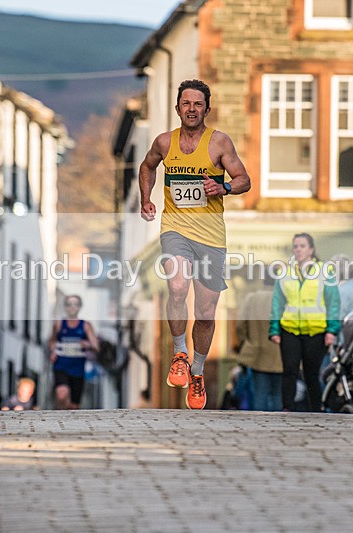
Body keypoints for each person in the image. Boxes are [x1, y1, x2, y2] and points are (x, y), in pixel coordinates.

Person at [139, 79, 251, 410]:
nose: (191, 109)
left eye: (198, 104)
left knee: (205, 311)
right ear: (178, 108)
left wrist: (224, 188)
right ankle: (179, 354)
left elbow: (244, 179)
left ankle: (197, 372)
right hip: (175, 229)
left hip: (211, 236)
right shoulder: (164, 142)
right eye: (186, 103)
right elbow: (147, 166)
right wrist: (146, 198)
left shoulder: (219, 142)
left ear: (206, 109)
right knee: (176, 286)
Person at [269, 233, 341, 412]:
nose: (298, 249)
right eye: (295, 246)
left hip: (316, 331)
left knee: (311, 374)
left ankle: (316, 409)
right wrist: (274, 329)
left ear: (311, 249)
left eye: (302, 246)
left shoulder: (324, 271)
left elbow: (333, 301)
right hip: (290, 329)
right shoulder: (284, 273)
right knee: (290, 371)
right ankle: (287, 408)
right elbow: (277, 303)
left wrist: (331, 330)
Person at [235, 276, 283, 411]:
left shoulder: (252, 299)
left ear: (263, 280)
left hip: (257, 352)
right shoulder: (284, 299)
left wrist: (246, 342)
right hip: (280, 354)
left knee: (259, 395)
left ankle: (259, 422)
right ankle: (278, 422)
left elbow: (240, 325)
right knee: (278, 395)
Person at [49, 294, 99, 410]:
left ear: (80, 307)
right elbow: (52, 341)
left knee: (74, 405)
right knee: (62, 394)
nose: (72, 307)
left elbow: (96, 346)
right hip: (61, 364)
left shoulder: (86, 326)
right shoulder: (59, 324)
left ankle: (68, 418)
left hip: (78, 367)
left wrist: (88, 345)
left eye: (75, 304)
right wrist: (53, 352)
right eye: (69, 304)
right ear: (65, 307)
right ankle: (58, 416)